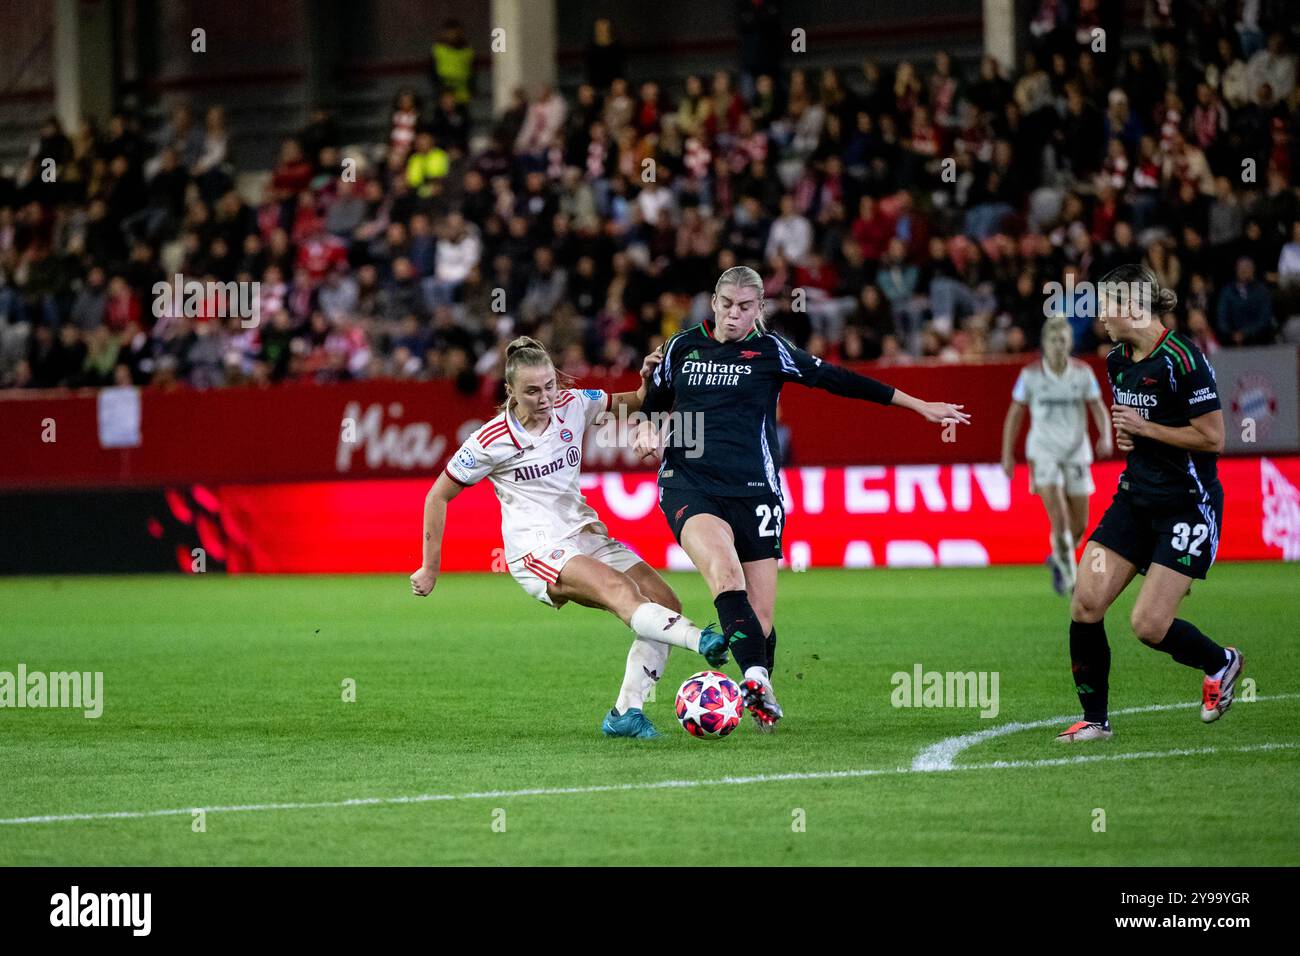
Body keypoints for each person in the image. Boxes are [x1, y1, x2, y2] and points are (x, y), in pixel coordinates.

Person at [633, 266, 970, 731]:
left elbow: (840, 379)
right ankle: (754, 678)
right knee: (724, 573)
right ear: (713, 302)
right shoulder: (680, 347)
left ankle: (761, 693)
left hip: (756, 492)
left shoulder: (772, 351)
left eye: (745, 306)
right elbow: (652, 401)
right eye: (726, 304)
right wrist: (647, 425)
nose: (734, 314)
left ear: (759, 309)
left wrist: (918, 405)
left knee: (762, 617)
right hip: (690, 483)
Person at [410, 337, 727, 739]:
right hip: (537, 549)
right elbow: (438, 494)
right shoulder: (490, 441)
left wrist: (650, 378)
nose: (544, 398)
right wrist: (430, 567)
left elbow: (634, 400)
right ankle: (702, 640)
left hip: (583, 530)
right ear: (510, 392)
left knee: (665, 600)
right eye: (531, 391)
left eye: (549, 387)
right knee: (619, 591)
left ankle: (626, 713)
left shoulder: (573, 404)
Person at [1059, 265, 1242, 743]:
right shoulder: (1117, 359)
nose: (1099, 317)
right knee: (1085, 602)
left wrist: (1145, 429)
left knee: (1147, 625)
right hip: (1134, 499)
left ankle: (1220, 662)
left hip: (1187, 505)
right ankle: (1095, 721)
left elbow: (1214, 438)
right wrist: (1129, 435)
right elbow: (1138, 429)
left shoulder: (1184, 359)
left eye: (1105, 307)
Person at [1001, 315, 1112, 595]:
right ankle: (1071, 578)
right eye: (1053, 340)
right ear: (1044, 344)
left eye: (1063, 340)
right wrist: (1007, 453)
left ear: (1070, 342)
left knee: (1079, 526)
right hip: (1043, 452)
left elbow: (1097, 407)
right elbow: (1015, 413)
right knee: (1059, 518)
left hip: (1076, 452)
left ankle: (1058, 556)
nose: (1058, 345)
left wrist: (1105, 435)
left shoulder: (1083, 373)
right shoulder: (1031, 376)